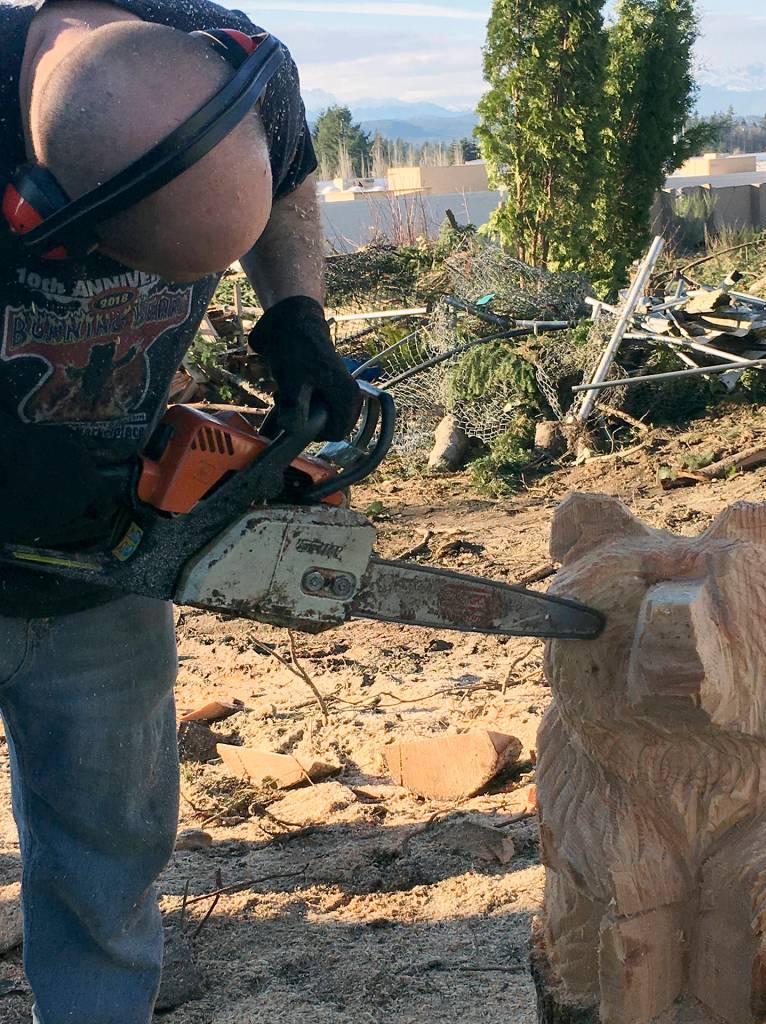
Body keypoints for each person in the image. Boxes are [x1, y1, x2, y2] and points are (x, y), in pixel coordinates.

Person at [0, 1, 360, 1020]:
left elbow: (287, 173)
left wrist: (295, 315)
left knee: (110, 852)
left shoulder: (238, 62)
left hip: (110, 547)